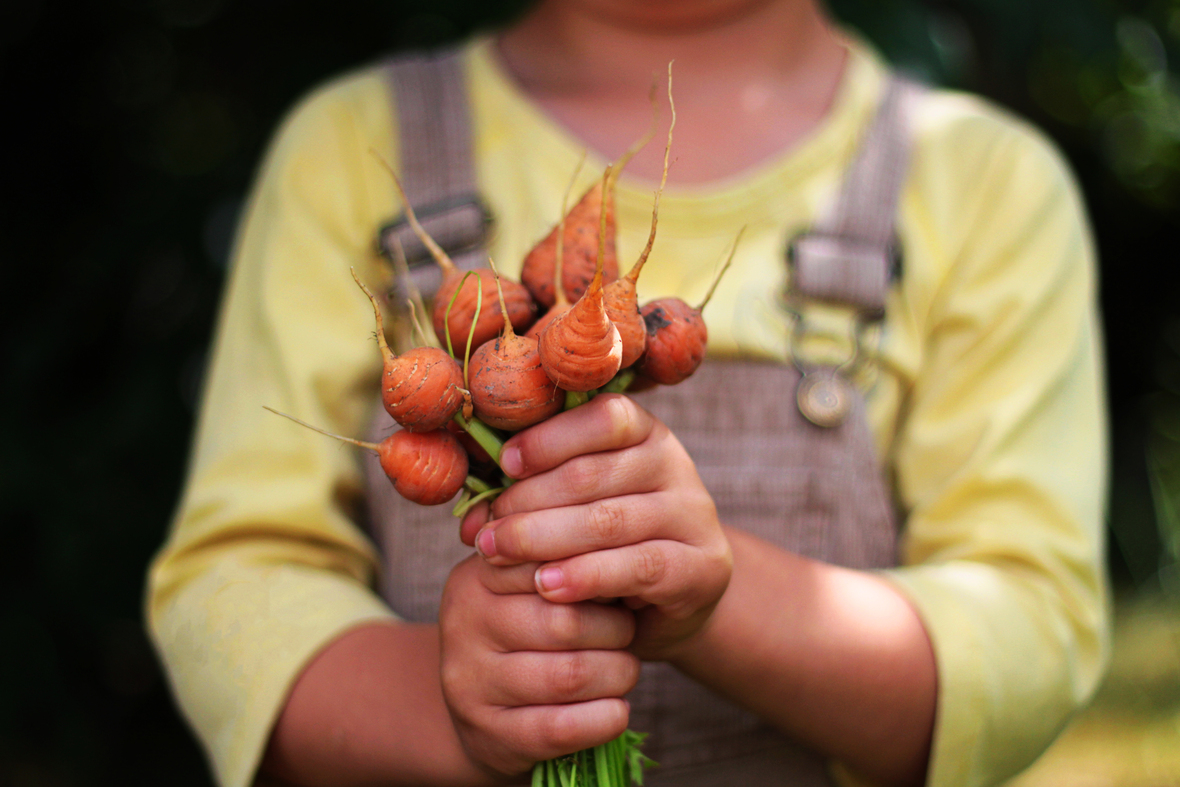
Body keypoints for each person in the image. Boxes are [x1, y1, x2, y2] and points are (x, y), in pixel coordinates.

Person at [146, 1, 1109, 786]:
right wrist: (453, 715)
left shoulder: (984, 184)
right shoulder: (348, 149)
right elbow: (233, 585)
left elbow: (1029, 634)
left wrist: (711, 597)